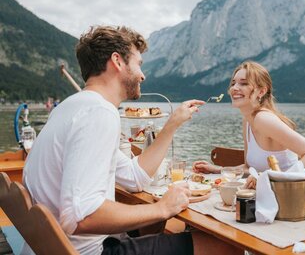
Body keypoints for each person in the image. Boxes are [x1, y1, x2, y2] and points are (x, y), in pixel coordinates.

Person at [23, 26, 240, 255]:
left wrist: (172, 124)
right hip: (87, 251)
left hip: (53, 247)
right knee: (224, 246)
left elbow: (134, 177)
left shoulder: (71, 108)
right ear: (117, 61)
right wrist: (162, 208)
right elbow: (81, 216)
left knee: (153, 226)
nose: (142, 75)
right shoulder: (99, 114)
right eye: (138, 64)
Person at [193, 61, 305, 188]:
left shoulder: (263, 119)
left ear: (261, 92)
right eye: (233, 83)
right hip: (265, 197)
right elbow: (249, 168)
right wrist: (218, 170)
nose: (234, 88)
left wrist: (275, 180)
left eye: (243, 83)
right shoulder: (247, 121)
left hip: (286, 199)